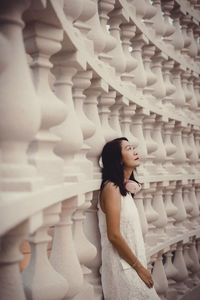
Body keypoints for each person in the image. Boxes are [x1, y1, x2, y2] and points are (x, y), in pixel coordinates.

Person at [97, 137, 160, 300]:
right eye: (129, 148)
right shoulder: (111, 188)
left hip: (131, 266)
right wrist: (139, 268)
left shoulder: (124, 190)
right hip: (123, 269)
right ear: (118, 159)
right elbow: (114, 235)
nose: (135, 152)